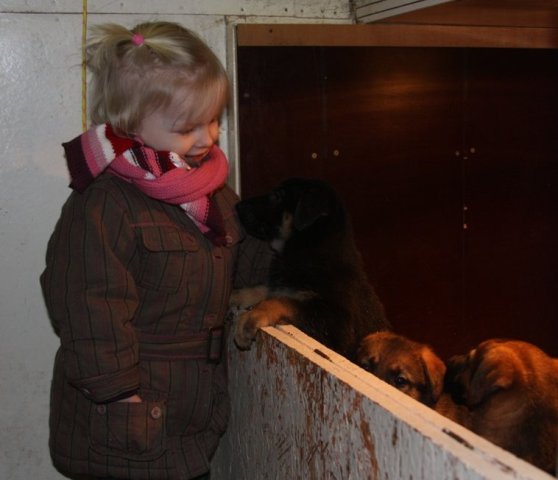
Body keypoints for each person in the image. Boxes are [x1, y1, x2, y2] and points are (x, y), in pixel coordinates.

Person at [40, 21, 270, 480]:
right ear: (129, 122)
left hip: (191, 410)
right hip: (123, 418)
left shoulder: (213, 195)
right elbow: (87, 306)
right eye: (187, 127)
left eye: (213, 120)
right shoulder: (103, 203)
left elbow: (245, 264)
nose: (208, 138)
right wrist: (120, 396)